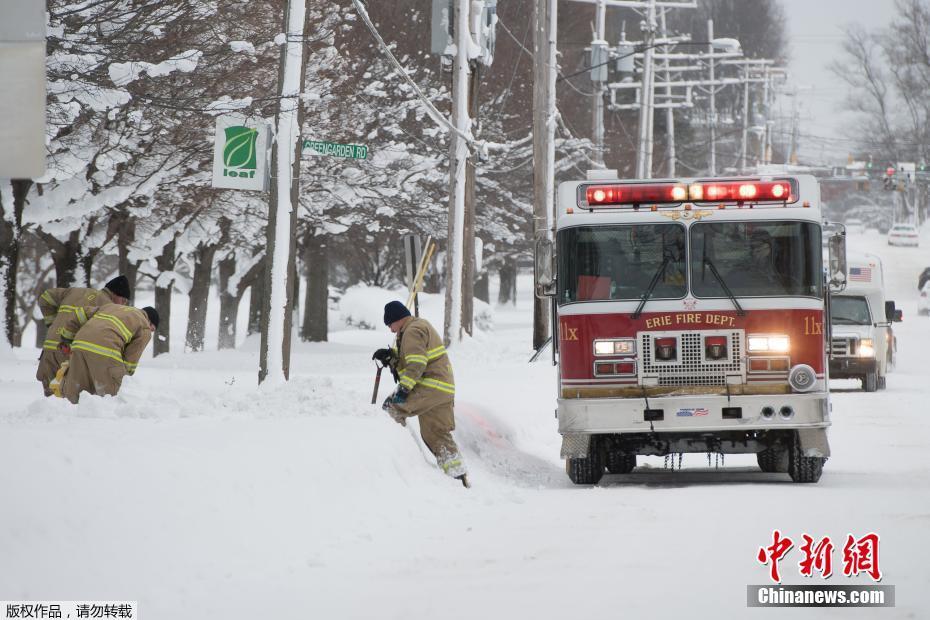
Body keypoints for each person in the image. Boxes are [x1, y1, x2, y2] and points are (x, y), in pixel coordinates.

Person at [373, 301, 469, 488]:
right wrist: (392, 356)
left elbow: (416, 364)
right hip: (443, 388)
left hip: (430, 387)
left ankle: (398, 459)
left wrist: (403, 390)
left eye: (390, 325)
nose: (391, 330)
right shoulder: (418, 326)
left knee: (391, 408)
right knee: (437, 433)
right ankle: (458, 475)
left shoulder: (412, 331)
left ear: (397, 319)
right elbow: (413, 358)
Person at [35, 275, 132, 396]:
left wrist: (52, 323)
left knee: (50, 396)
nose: (123, 305)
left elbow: (45, 297)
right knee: (67, 396)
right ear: (116, 294)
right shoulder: (108, 307)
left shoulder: (73, 291)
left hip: (49, 348)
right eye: (123, 300)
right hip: (69, 351)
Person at [56, 304, 158, 404]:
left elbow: (79, 314)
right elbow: (131, 358)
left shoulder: (111, 307)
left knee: (74, 393)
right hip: (106, 350)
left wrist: (67, 340)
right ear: (150, 321)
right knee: (110, 398)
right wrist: (124, 377)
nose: (150, 331)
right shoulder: (144, 326)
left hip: (79, 345)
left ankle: (68, 415)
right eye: (152, 329)